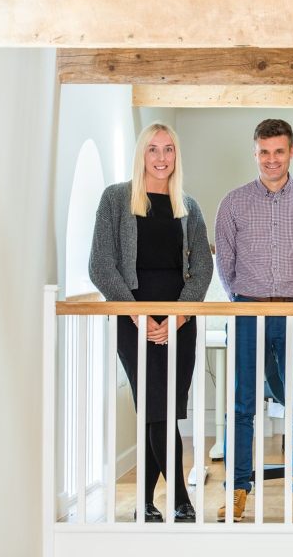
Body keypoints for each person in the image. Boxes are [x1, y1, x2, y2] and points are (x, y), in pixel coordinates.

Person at [89, 122, 213, 523]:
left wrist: (177, 315)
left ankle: (144, 500)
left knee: (162, 408)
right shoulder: (116, 199)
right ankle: (179, 497)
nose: (161, 158)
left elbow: (203, 268)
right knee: (155, 403)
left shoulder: (188, 206)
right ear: (141, 153)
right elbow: (101, 266)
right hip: (133, 318)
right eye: (154, 149)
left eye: (169, 150)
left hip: (180, 319)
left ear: (177, 156)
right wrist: (138, 314)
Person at [214, 118, 293, 522]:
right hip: (248, 309)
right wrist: (245, 301)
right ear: (255, 153)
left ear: (291, 152)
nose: (271, 159)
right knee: (242, 403)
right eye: (264, 152)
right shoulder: (233, 203)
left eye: (278, 151)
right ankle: (238, 489)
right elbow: (225, 265)